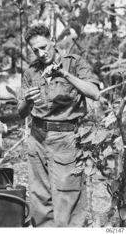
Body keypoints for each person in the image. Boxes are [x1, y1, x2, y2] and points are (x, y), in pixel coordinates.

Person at [18, 24, 100, 227]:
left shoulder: (74, 63)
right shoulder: (31, 71)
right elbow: (21, 113)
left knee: (68, 198)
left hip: (66, 140)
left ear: (53, 40)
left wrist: (65, 75)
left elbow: (95, 93)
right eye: (35, 50)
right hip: (37, 138)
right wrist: (27, 100)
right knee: (39, 198)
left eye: (44, 46)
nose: (41, 52)